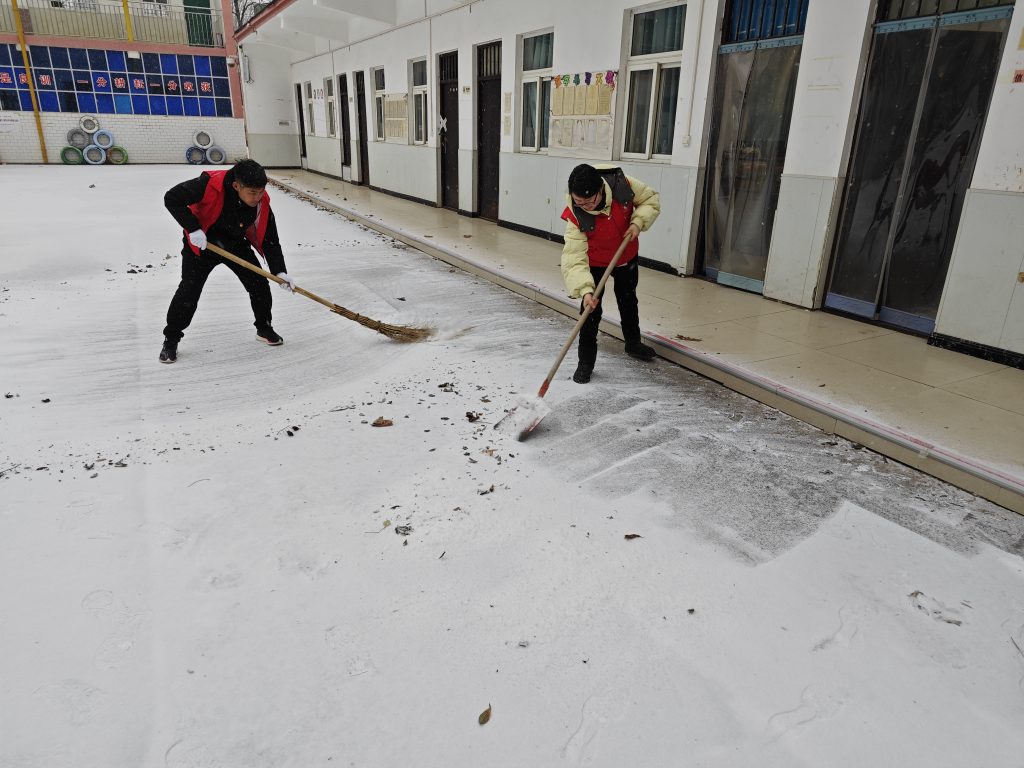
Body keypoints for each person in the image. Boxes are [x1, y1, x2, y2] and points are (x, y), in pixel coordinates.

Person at [159, 159, 295, 363]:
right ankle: (171, 339)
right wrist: (193, 228)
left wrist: (279, 271)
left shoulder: (260, 201)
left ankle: (264, 327)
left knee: (259, 284)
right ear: (236, 185)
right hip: (203, 244)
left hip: (234, 243)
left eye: (261, 192)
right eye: (252, 193)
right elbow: (172, 198)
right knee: (189, 290)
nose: (257, 197)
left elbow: (269, 238)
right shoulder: (208, 184)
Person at [560, 163, 660, 384]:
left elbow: (650, 200)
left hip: (625, 256)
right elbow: (574, 258)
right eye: (578, 202)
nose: (584, 206)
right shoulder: (575, 217)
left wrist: (637, 222)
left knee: (628, 300)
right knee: (589, 313)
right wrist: (585, 290)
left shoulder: (624, 186)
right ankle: (585, 362)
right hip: (595, 264)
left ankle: (633, 343)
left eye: (588, 201)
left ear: (600, 190)